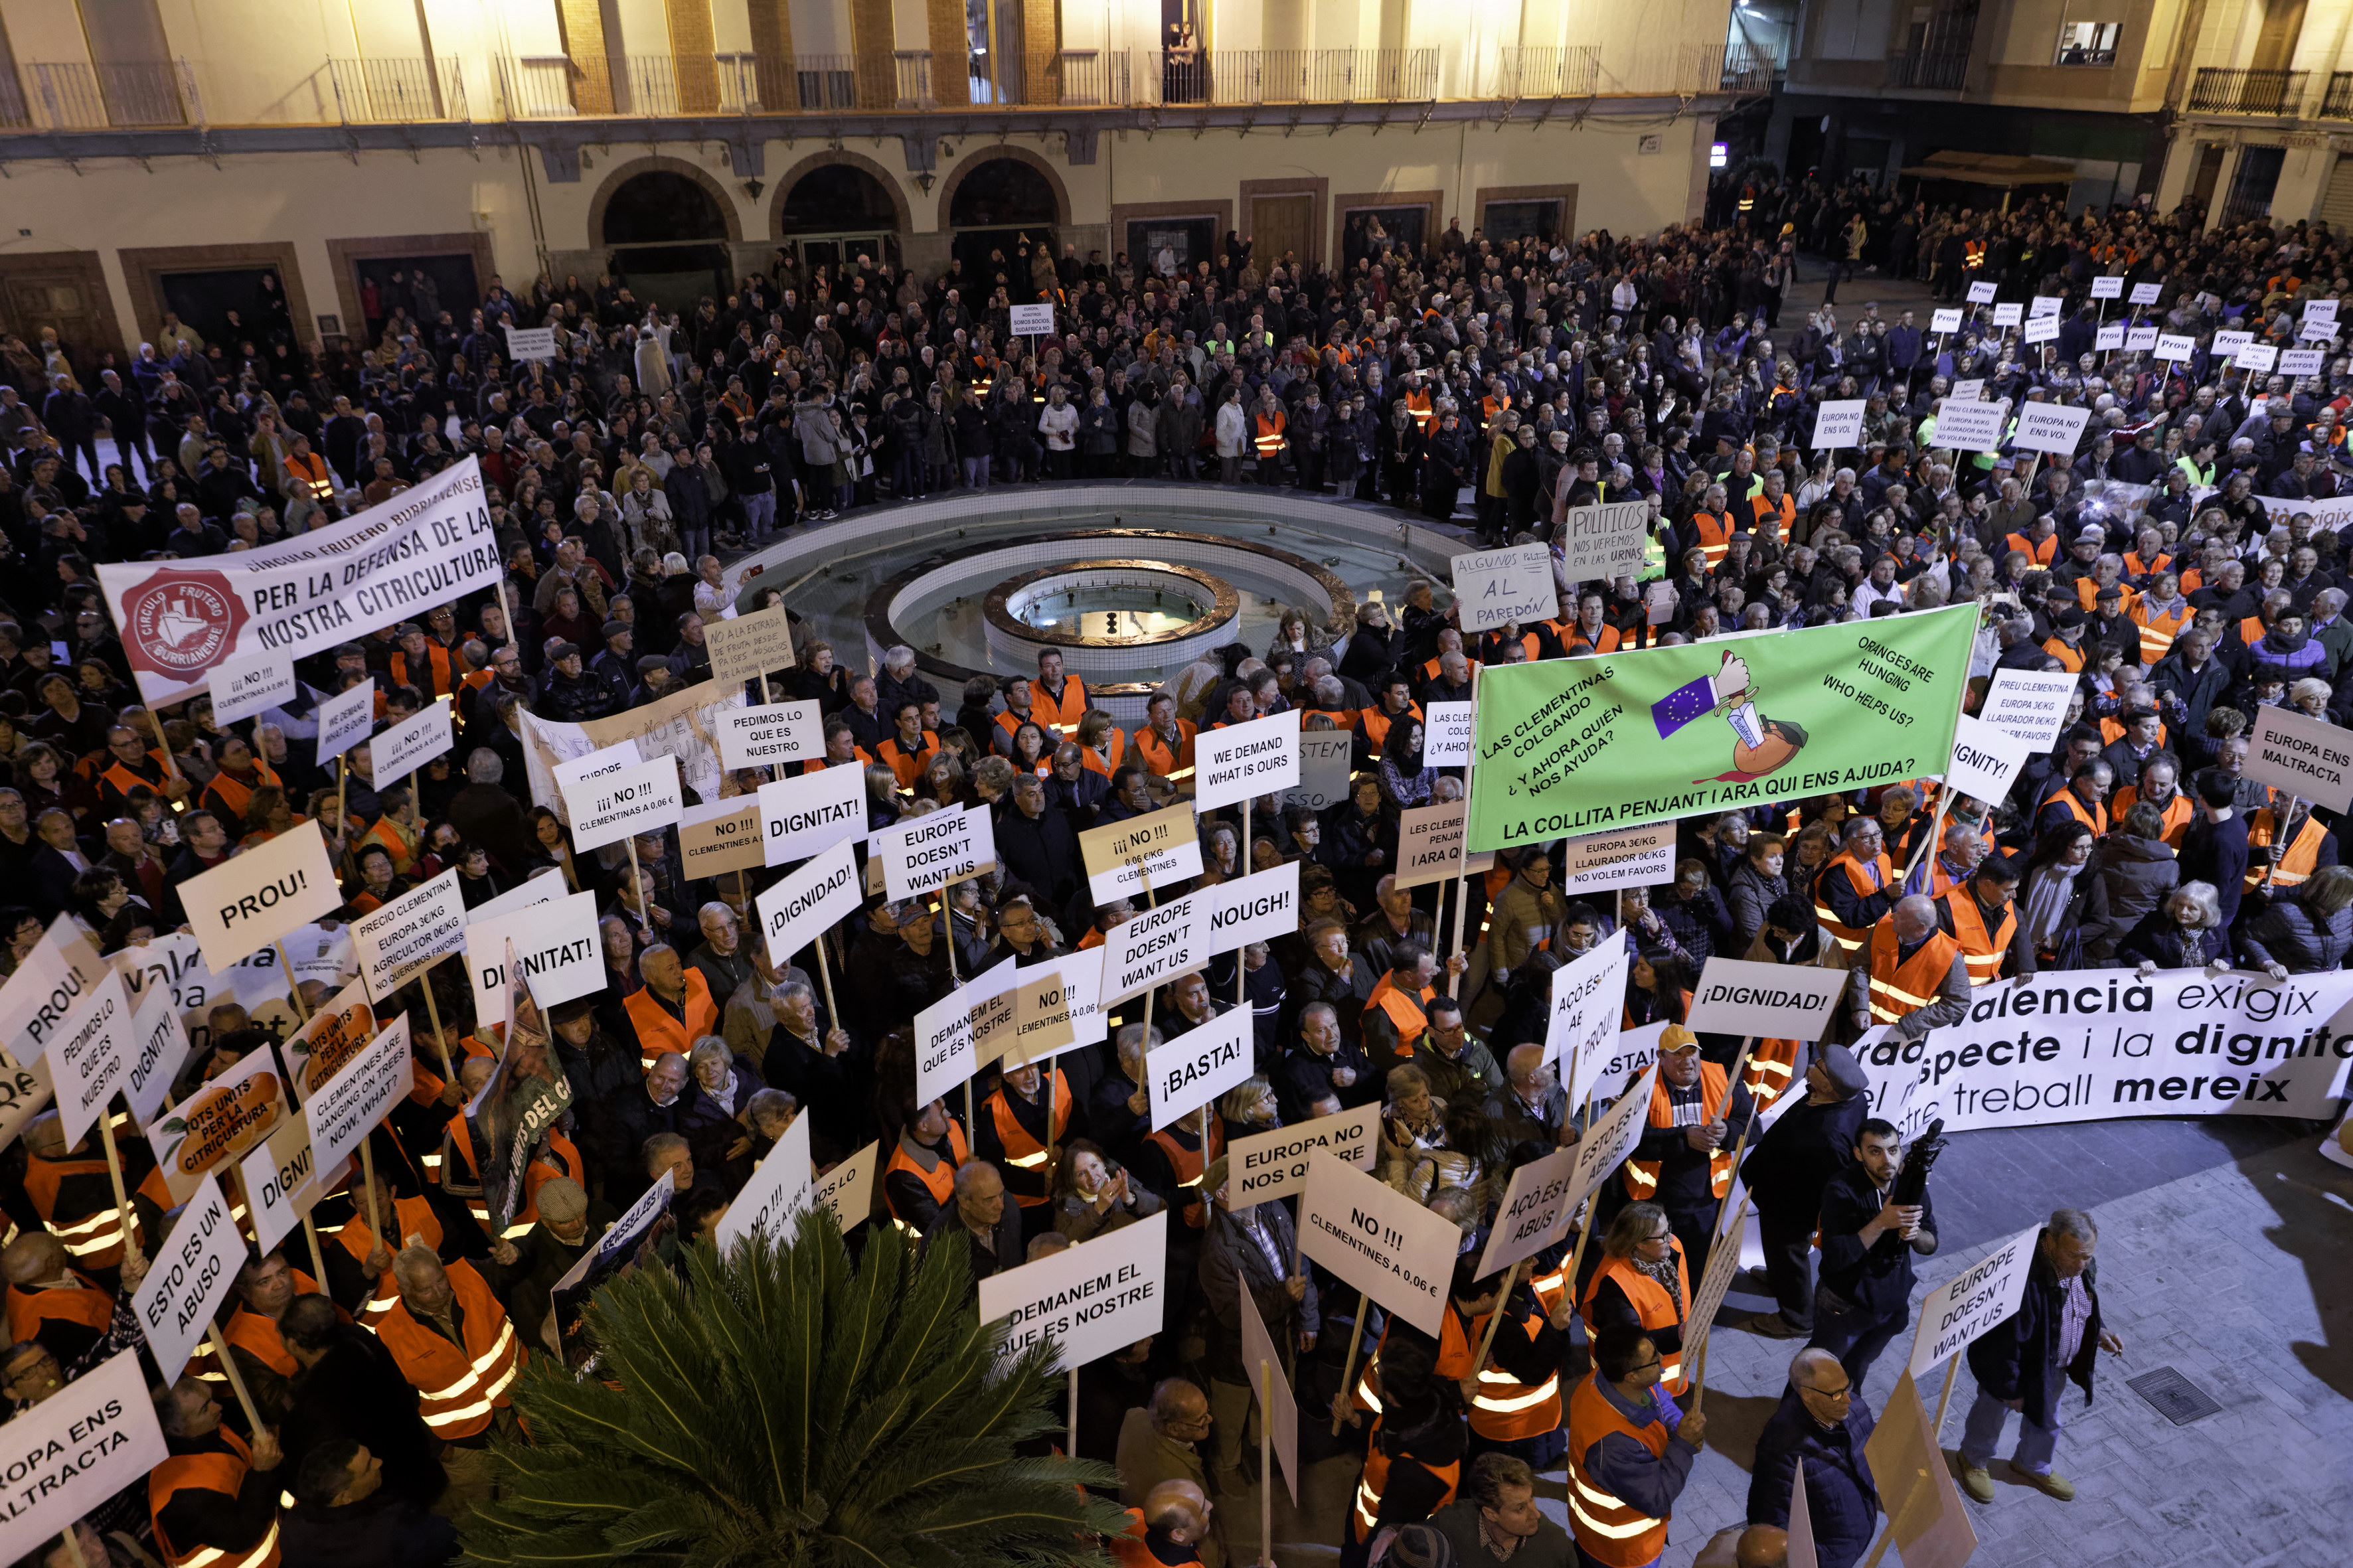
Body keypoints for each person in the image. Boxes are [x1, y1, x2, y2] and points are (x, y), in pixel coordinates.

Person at [1958, 1208, 2124, 1505]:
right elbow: (2004, 1345)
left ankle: (2032, 1465)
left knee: (2048, 1419)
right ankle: (1973, 1460)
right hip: (2013, 1372)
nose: (2081, 1264)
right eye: (2074, 1255)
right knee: (1992, 1413)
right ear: (2051, 1240)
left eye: (2087, 1256)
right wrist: (2010, 1391)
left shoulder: (2078, 1264)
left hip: (2051, 1365)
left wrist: (2099, 1332)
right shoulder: (2024, 1279)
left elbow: (2077, 1305)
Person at [1740, 1045, 1872, 1339]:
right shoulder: (1843, 1097)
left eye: (1820, 1064)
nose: (1814, 1063)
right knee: (1779, 1254)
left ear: (1827, 1085)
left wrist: (1806, 1217)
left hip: (1792, 1208)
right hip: (1781, 1193)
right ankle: (1779, 1278)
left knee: (1789, 1255)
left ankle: (1796, 1319)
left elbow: (1830, 1185)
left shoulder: (1830, 1135)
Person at [1807, 1118, 1937, 1387]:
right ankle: (1796, 1419)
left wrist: (1915, 1235)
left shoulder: (1910, 1184)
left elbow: (1931, 1243)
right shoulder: (1841, 1190)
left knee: (1858, 1366)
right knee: (1818, 1371)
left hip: (1889, 1304)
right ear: (1859, 1154)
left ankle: (1848, 1407)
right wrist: (1881, 1223)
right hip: (1845, 1304)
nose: (1886, 1160)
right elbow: (1836, 1257)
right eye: (1875, 1151)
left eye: (1893, 1150)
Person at [1564, 1325, 1705, 1567]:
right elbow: (1657, 1499)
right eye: (1653, 1359)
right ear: (1632, 1375)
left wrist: (1678, 1425)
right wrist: (1682, 1446)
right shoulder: (1611, 1445)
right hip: (1620, 1550)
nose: (1661, 1358)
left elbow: (1659, 1401)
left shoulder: (1610, 1379)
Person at [1748, 1348, 1880, 1568]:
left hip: (1850, 1542)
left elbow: (1873, 1448)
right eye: (1836, 1394)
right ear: (1807, 1395)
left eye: (1847, 1387)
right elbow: (1772, 1525)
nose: (1848, 1399)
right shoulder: (1781, 1450)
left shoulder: (1853, 1407)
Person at [1427, 1452, 1576, 1567]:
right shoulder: (1447, 1524)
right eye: (1520, 1508)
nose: (1536, 1514)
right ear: (1490, 1514)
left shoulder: (1556, 1548)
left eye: (1531, 1499)